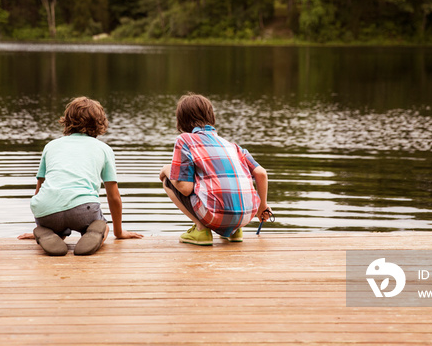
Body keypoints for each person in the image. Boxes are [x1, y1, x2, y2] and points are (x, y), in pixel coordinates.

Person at [19, 96, 142, 255]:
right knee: (103, 226)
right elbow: (114, 196)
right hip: (83, 210)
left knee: (52, 215)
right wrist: (119, 232)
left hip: (46, 211)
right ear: (100, 124)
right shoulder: (103, 149)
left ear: (67, 121)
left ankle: (46, 231)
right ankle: (96, 233)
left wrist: (40, 219)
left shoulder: (51, 146)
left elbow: (40, 188)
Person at [159, 93, 270, 246]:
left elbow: (185, 189)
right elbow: (261, 173)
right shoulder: (233, 146)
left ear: (181, 121)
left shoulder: (185, 140)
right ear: (211, 117)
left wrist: (167, 170)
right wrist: (262, 207)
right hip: (245, 217)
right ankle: (235, 231)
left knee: (168, 180)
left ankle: (201, 230)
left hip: (214, 216)